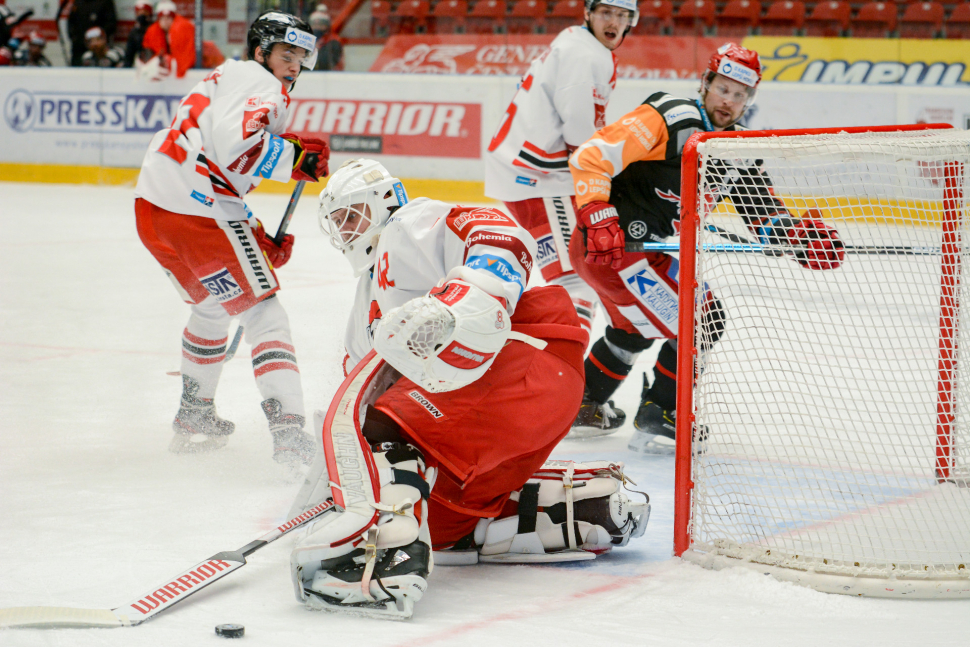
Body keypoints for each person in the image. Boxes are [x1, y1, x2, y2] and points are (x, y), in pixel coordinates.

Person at [283, 159, 650, 619]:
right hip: (509, 411)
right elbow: (359, 397)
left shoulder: (408, 224)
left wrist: (465, 302)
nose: (346, 230)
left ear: (384, 200)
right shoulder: (366, 303)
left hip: (526, 358)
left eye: (351, 214)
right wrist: (337, 488)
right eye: (337, 223)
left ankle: (379, 566)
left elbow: (503, 235)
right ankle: (574, 509)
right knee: (436, 513)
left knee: (386, 431)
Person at [567, 43, 846, 448]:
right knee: (705, 318)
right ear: (706, 83)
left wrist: (798, 238)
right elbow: (592, 156)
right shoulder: (671, 116)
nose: (728, 101)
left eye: (740, 94)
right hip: (614, 248)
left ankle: (584, 402)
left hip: (640, 256)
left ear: (750, 99)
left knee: (633, 330)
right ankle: (659, 413)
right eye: (723, 88)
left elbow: (763, 216)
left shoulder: (738, 149)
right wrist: (596, 211)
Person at [133, 12, 330, 468]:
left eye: (300, 57)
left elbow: (214, 169)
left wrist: (253, 234)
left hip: (155, 210)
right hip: (195, 211)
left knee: (210, 305)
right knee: (265, 315)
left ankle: (195, 414)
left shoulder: (226, 75)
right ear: (261, 51)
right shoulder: (264, 86)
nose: (294, 67)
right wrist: (294, 155)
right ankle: (290, 437)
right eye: (286, 55)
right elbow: (235, 148)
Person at [483, 0, 637, 437]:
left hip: (528, 171)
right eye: (607, 11)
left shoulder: (579, 45)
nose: (614, 22)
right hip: (540, 175)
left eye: (623, 15)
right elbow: (579, 135)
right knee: (576, 281)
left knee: (569, 279)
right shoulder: (583, 52)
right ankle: (561, 393)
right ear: (589, 12)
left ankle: (552, 384)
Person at [142, 1, 194, 78]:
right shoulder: (152, 32)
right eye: (162, 18)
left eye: (168, 17)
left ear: (174, 18)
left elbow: (185, 60)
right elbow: (148, 56)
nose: (165, 21)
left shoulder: (181, 29)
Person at [67, 0, 117, 66]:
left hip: (98, 49)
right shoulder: (78, 2)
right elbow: (71, 22)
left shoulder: (105, 2)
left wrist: (98, 39)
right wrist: (74, 38)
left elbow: (111, 23)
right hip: (79, 47)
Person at [308, 7, 342, 71]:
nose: (317, 27)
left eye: (321, 24)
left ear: (327, 26)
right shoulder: (306, 40)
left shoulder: (333, 41)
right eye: (314, 24)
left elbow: (327, 63)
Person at [123, 0, 154, 67]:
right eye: (139, 12)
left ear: (150, 13)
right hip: (140, 65)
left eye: (145, 12)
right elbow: (129, 55)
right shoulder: (134, 32)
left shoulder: (156, 29)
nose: (142, 15)